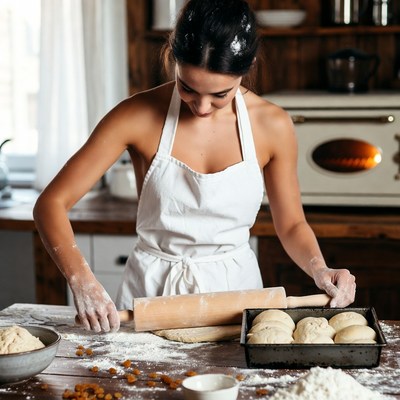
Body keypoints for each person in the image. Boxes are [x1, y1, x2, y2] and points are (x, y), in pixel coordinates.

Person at [33, 0, 356, 333]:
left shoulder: (272, 125)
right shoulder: (136, 115)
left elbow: (290, 225)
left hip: (235, 297)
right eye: (187, 87)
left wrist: (320, 268)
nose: (202, 106)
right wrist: (83, 281)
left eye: (220, 94)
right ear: (174, 60)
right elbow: (51, 204)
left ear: (247, 69)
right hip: (151, 292)